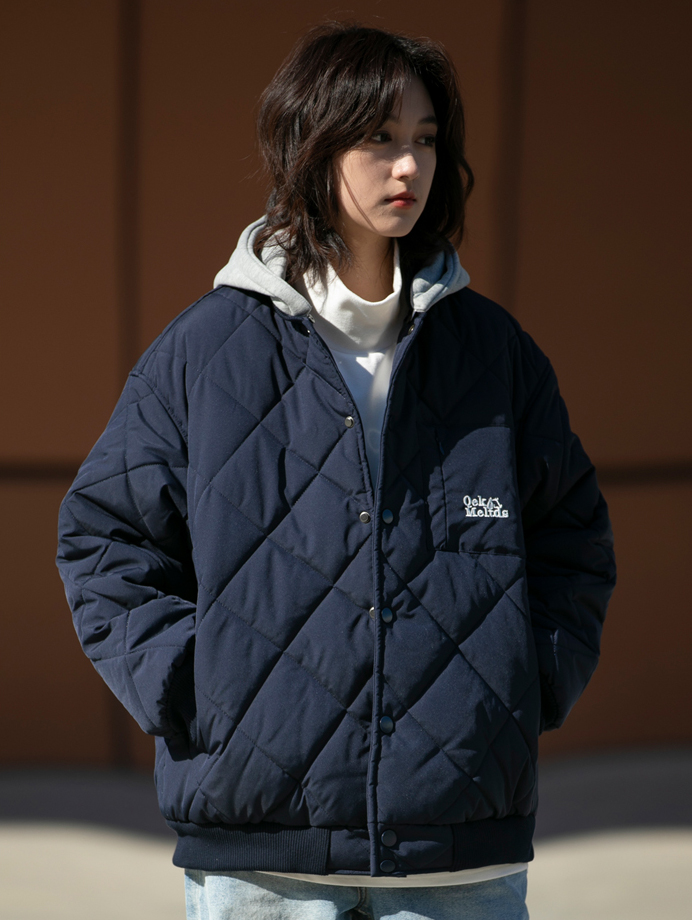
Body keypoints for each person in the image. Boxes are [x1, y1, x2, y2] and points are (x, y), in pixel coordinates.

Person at [57, 22, 616, 920]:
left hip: (457, 856)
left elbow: (573, 537)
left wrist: (522, 684)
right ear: (311, 147)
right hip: (262, 859)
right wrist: (197, 687)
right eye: (380, 138)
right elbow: (105, 539)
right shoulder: (205, 352)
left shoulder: (495, 355)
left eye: (426, 139)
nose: (409, 166)